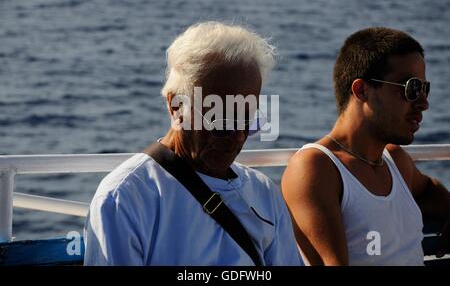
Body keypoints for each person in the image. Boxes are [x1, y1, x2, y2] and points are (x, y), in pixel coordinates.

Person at [84, 21, 302, 266]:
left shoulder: (264, 194)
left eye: (247, 121)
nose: (238, 137)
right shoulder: (124, 199)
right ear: (176, 107)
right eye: (221, 121)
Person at [282, 27, 450, 266]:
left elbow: (426, 190)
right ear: (362, 90)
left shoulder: (395, 160)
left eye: (425, 89)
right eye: (412, 88)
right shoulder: (316, 168)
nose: (424, 103)